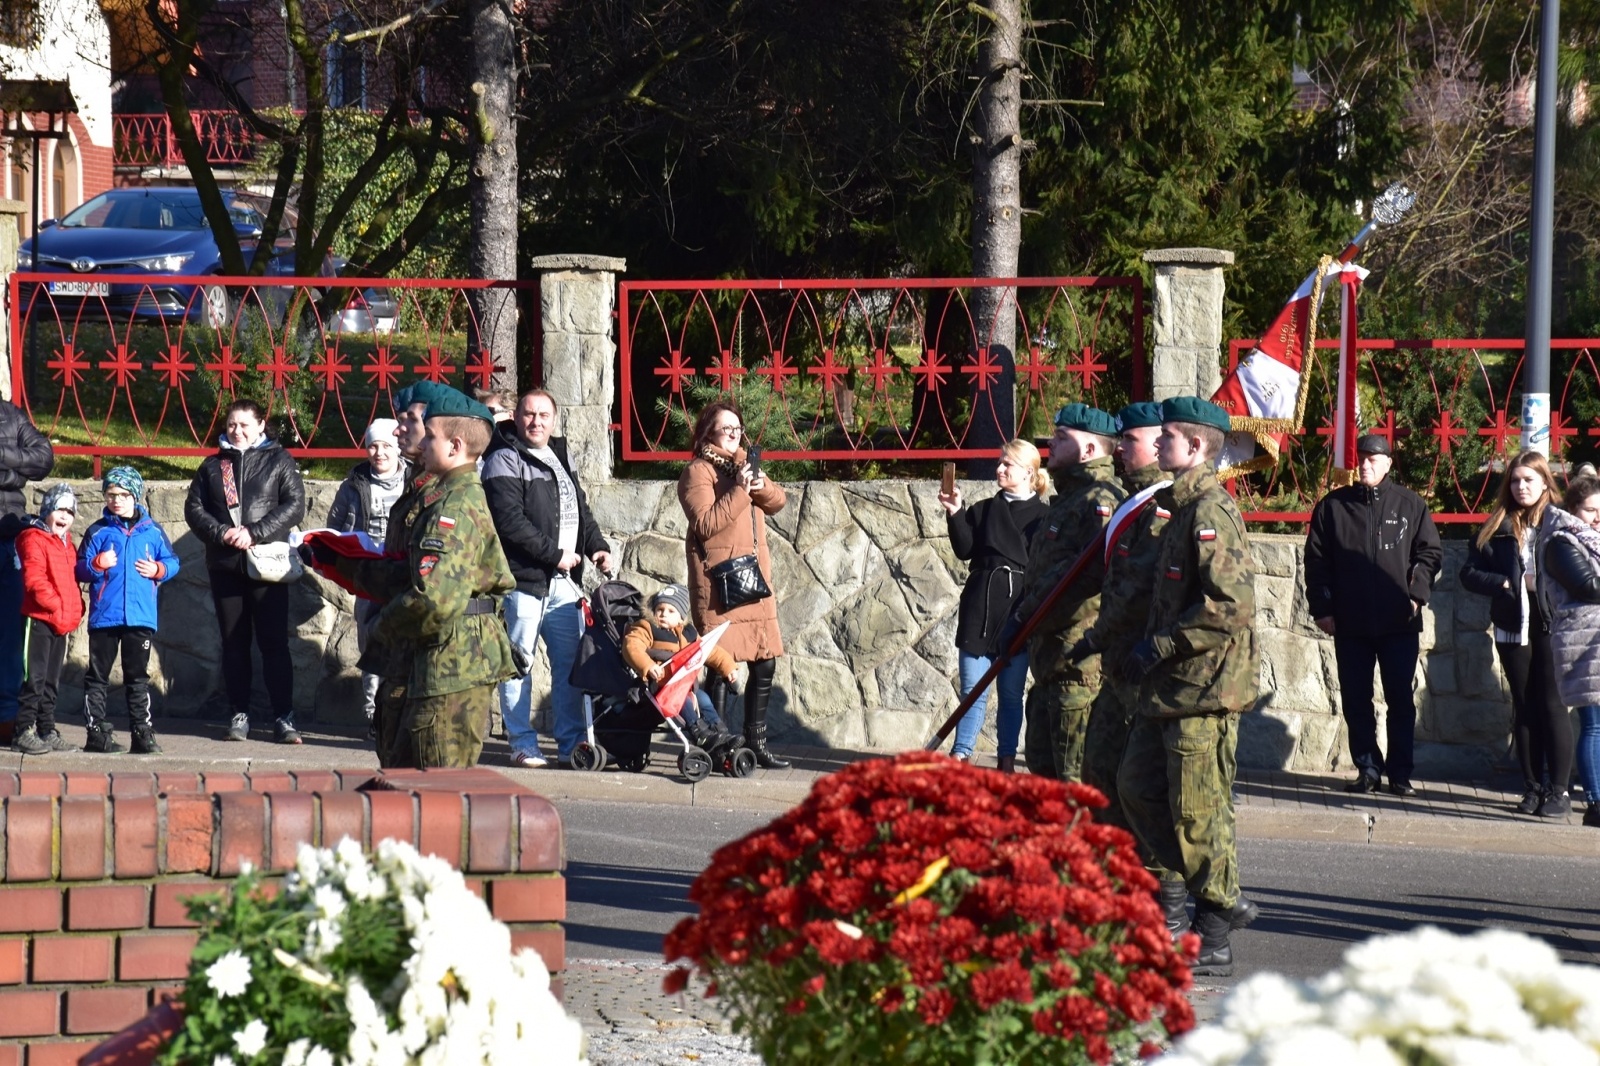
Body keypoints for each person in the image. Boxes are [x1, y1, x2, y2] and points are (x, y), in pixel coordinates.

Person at [1115, 397, 1260, 977]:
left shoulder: (1210, 513)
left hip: (1205, 689)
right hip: (1169, 688)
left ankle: (1215, 926)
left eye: (1169, 436)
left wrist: (1162, 645)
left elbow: (1230, 606)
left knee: (1199, 812)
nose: (1159, 444)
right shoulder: (1178, 507)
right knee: (1137, 787)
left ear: (1195, 447)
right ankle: (1202, 900)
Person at [313, 389, 519, 768]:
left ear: (454, 446)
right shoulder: (435, 493)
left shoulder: (454, 504)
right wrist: (341, 564)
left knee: (438, 791)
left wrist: (380, 627)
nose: (411, 437)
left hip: (452, 662)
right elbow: (405, 569)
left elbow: (434, 599)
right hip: (429, 657)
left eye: (426, 432)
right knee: (406, 784)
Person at [1304, 434, 1442, 796]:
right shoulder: (1333, 507)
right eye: (1361, 458)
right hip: (1351, 622)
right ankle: (1367, 768)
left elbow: (1429, 553)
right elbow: (1317, 562)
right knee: (1355, 698)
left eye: (1373, 459)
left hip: (1399, 621)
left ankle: (1400, 774)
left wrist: (1415, 596)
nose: (1365, 464)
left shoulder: (1410, 505)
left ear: (1388, 464)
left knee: (1399, 698)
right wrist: (1322, 608)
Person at [482, 389, 614, 769]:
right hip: (523, 582)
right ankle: (522, 744)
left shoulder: (559, 456)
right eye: (528, 414)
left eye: (543, 415)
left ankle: (572, 745)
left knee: (570, 667)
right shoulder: (502, 459)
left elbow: (579, 510)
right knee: (518, 667)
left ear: (554, 420)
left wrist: (597, 547)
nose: (536, 421)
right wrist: (554, 555)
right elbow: (509, 523)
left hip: (563, 584)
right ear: (516, 418)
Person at [183, 399, 308, 744]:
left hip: (266, 566)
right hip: (225, 565)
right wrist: (221, 532)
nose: (236, 431)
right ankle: (239, 713)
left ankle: (284, 716)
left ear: (260, 426)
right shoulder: (213, 466)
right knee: (233, 643)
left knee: (274, 644)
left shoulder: (279, 460)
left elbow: (294, 504)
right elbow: (194, 508)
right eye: (231, 424)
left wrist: (255, 531)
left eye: (244, 425)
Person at [1013, 403, 1125, 780]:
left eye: (1063, 438)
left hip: (1077, 667)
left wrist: (1027, 615)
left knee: (1075, 784)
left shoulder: (1101, 502)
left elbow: (1085, 584)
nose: (1051, 445)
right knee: (1045, 778)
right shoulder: (1070, 501)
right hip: (1050, 664)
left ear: (1090, 450)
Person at [1074, 401, 1173, 826]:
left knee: (1138, 784)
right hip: (1116, 663)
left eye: (1130, 441)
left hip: (1141, 665)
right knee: (1099, 771)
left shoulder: (1162, 506)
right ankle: (1111, 873)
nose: (1120, 450)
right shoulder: (1131, 502)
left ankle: (1154, 880)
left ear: (1157, 444)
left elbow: (1143, 590)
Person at [1460, 452, 1572, 817]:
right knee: (1524, 707)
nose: (1521, 487)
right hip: (1514, 625)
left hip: (1553, 624)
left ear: (1545, 482)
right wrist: (1505, 582)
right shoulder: (1497, 526)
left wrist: (1547, 584)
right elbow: (1469, 573)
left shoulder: (1559, 523)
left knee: (1552, 705)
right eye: (1515, 480)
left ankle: (1559, 792)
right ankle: (1532, 788)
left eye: (1529, 479)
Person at [679, 401, 789, 769]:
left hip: (753, 580)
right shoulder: (698, 472)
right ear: (708, 431)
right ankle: (719, 742)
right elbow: (707, 525)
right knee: (721, 667)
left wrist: (754, 478)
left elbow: (778, 502)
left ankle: (756, 743)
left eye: (737, 428)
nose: (733, 434)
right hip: (719, 584)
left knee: (765, 661)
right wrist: (741, 491)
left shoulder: (743, 467)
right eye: (725, 429)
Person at [937, 439, 1049, 769]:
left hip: (1019, 610)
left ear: (1028, 472)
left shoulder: (1044, 517)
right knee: (972, 689)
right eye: (1000, 462)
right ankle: (961, 753)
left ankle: (1005, 758)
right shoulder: (985, 508)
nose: (999, 469)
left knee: (1012, 693)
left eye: (1007, 464)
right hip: (980, 609)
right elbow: (964, 548)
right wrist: (956, 512)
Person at [75, 467, 180, 754]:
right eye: (110, 495)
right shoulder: (98, 531)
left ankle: (142, 733)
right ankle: (96, 732)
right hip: (105, 618)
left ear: (135, 495)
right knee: (98, 676)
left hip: (140, 617)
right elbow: (80, 568)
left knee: (137, 677)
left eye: (123, 495)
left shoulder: (153, 531)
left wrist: (158, 569)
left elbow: (173, 562)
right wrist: (97, 564)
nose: (116, 500)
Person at [326, 418, 411, 732]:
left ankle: (399, 708)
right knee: (371, 644)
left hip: (403, 574)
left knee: (403, 642)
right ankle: (373, 711)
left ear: (398, 448)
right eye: (373, 446)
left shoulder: (413, 480)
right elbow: (334, 528)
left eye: (386, 445)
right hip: (368, 576)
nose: (379, 452)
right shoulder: (354, 485)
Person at [1538, 475, 1600, 826]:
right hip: (1585, 642)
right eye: (1590, 510)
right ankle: (1595, 801)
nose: (1597, 517)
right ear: (1574, 509)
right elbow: (1588, 586)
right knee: (1593, 724)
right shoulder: (1561, 540)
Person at [620, 583, 740, 748]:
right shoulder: (647, 628)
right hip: (660, 685)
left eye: (671, 611)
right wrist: (647, 665)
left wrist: (728, 667)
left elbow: (709, 651)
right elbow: (632, 646)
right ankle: (699, 732)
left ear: (681, 617)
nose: (663, 614)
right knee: (682, 699)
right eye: (660, 609)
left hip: (684, 685)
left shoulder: (688, 633)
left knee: (704, 699)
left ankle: (721, 733)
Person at [13, 484, 83, 755]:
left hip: (60, 621)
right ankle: (24, 730)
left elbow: (71, 582)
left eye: (69, 511)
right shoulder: (33, 538)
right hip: (39, 618)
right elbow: (35, 579)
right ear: (47, 511)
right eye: (59, 509)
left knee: (52, 680)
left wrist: (73, 610)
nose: (64, 516)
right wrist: (55, 605)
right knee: (35, 677)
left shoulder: (67, 544)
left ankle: (46, 728)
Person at [0, 399, 55, 739]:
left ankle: (6, 716)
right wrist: (14, 475)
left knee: (9, 631)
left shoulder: (10, 414)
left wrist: (5, 462)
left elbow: (44, 457)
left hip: (9, 539)